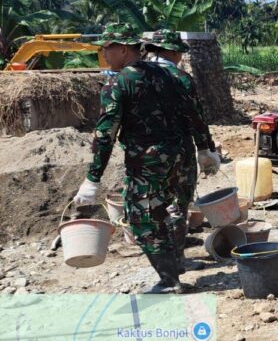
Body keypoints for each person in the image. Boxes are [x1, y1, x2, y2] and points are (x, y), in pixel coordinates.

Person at [72, 23, 187, 293]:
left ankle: (170, 281)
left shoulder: (119, 81)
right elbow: (186, 113)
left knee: (141, 218)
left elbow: (105, 134)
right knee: (160, 212)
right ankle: (174, 271)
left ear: (123, 49)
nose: (103, 53)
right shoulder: (165, 74)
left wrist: (92, 179)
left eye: (106, 48)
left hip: (146, 162)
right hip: (175, 157)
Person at [144, 28, 220, 267]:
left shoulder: (133, 76)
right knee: (177, 205)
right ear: (170, 51)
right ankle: (176, 261)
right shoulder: (179, 77)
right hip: (178, 151)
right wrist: (205, 149)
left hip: (144, 154)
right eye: (178, 52)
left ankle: (159, 258)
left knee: (154, 206)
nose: (180, 57)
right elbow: (196, 117)